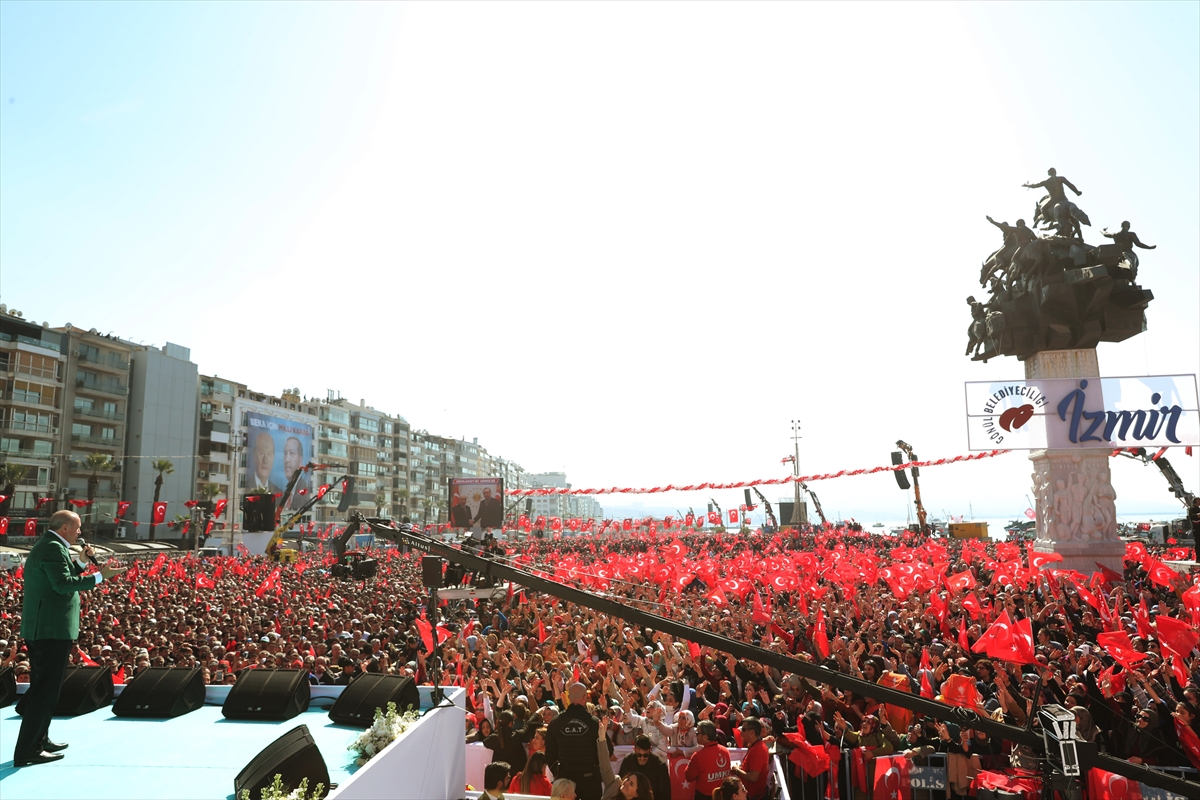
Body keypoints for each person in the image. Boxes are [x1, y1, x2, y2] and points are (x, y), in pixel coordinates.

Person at [13, 510, 125, 767]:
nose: (80, 533)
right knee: (44, 692)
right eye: (77, 528)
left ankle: (40, 739)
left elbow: (62, 576)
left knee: (46, 689)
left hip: (48, 628)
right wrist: (100, 577)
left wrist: (82, 563)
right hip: (49, 629)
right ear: (64, 528)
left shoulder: (52, 546)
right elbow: (63, 585)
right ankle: (28, 750)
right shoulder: (52, 548)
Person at [546, 683, 603, 800]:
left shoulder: (556, 722)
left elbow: (549, 753)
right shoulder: (594, 723)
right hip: (589, 781)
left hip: (566, 780)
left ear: (569, 697)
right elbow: (606, 751)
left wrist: (557, 773)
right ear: (584, 697)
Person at [686, 720, 733, 800]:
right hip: (723, 796)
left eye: (697, 733)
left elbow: (689, 777)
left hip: (704, 796)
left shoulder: (698, 756)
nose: (695, 736)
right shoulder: (725, 751)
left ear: (705, 737)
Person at [618, 735, 670, 800]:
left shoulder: (660, 765)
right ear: (634, 749)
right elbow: (620, 782)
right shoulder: (628, 760)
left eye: (646, 755)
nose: (642, 758)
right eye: (639, 755)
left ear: (650, 749)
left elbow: (664, 793)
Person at [732, 717, 770, 800]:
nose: (741, 732)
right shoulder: (755, 746)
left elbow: (753, 777)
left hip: (753, 796)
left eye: (744, 729)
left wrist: (737, 770)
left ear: (752, 732)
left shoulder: (757, 750)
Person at [282, 436, 311, 508]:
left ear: (300, 460)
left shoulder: (304, 490)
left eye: (291, 453)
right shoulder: (283, 491)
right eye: (285, 453)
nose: (287, 460)